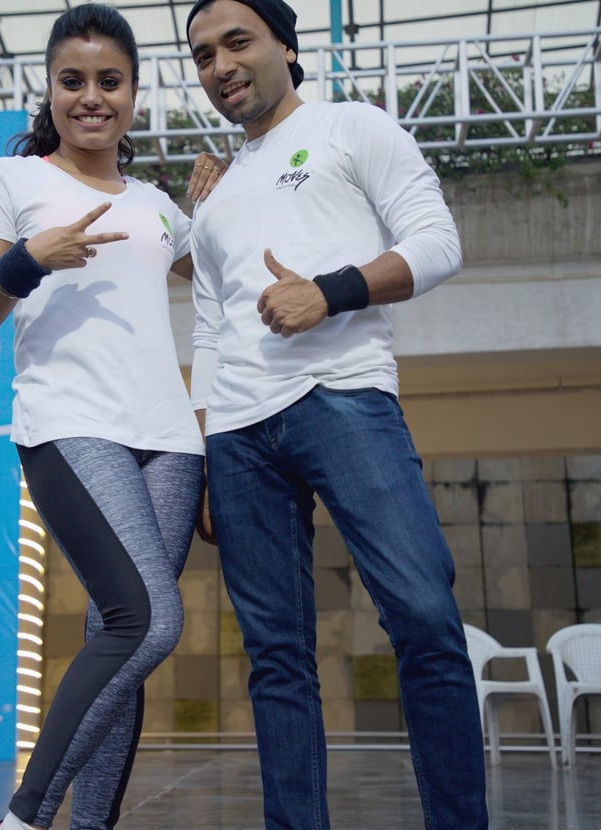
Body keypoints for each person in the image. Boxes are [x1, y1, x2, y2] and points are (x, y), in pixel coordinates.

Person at [185, 1, 489, 828]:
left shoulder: (356, 127)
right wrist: (206, 449)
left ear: (287, 45)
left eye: (238, 42)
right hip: (241, 434)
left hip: (346, 398)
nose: (221, 66)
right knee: (276, 659)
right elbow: (208, 329)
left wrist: (329, 292)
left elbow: (437, 242)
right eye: (204, 54)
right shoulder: (214, 196)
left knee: (425, 618)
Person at [0, 5, 225, 829]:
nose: (91, 98)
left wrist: (221, 195)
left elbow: (219, 283)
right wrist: (27, 260)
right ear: (50, 90)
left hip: (170, 440)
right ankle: (26, 817)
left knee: (126, 640)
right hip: (71, 423)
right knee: (150, 618)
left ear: (135, 93)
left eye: (110, 81)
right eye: (73, 82)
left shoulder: (152, 203)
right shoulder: (11, 181)